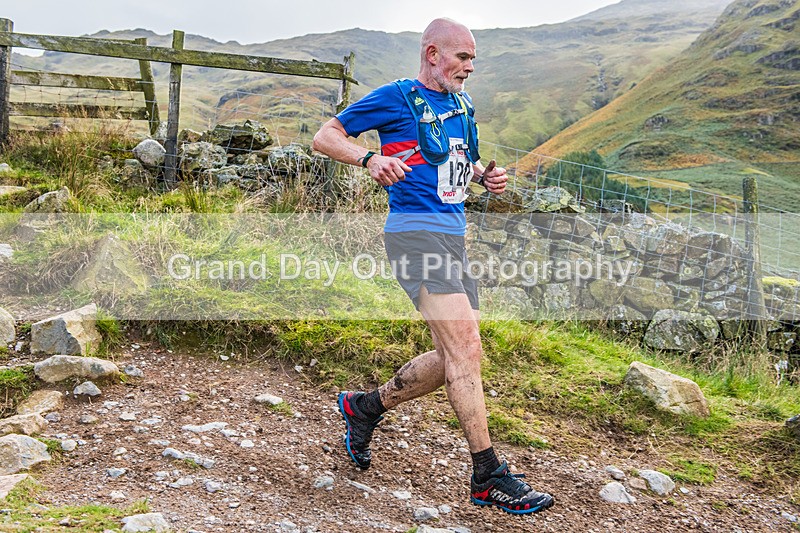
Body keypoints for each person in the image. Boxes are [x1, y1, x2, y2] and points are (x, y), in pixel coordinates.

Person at [312, 17, 554, 515]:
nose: (469, 68)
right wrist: (368, 160)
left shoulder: (461, 104)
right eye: (462, 57)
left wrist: (486, 176)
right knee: (466, 349)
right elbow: (325, 135)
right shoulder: (398, 97)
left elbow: (460, 162)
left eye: (472, 59)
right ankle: (487, 474)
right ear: (432, 53)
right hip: (414, 236)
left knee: (453, 357)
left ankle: (365, 407)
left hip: (452, 236)